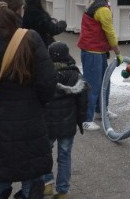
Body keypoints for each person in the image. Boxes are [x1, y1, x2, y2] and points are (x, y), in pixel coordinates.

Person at [0, 0, 56, 199]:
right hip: (30, 121)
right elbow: (48, 83)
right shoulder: (31, 38)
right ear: (20, 9)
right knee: (31, 182)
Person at [42, 41, 89, 199]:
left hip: (47, 124)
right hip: (67, 124)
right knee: (65, 155)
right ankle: (62, 191)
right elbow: (83, 102)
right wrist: (81, 121)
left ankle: (46, 182)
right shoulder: (76, 75)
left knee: (44, 152)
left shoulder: (44, 74)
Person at [77, 0, 122, 131]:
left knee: (104, 82)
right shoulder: (102, 8)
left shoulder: (99, 3)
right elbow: (110, 33)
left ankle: (100, 110)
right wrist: (117, 52)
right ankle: (86, 119)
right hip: (92, 51)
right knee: (92, 85)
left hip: (98, 51)